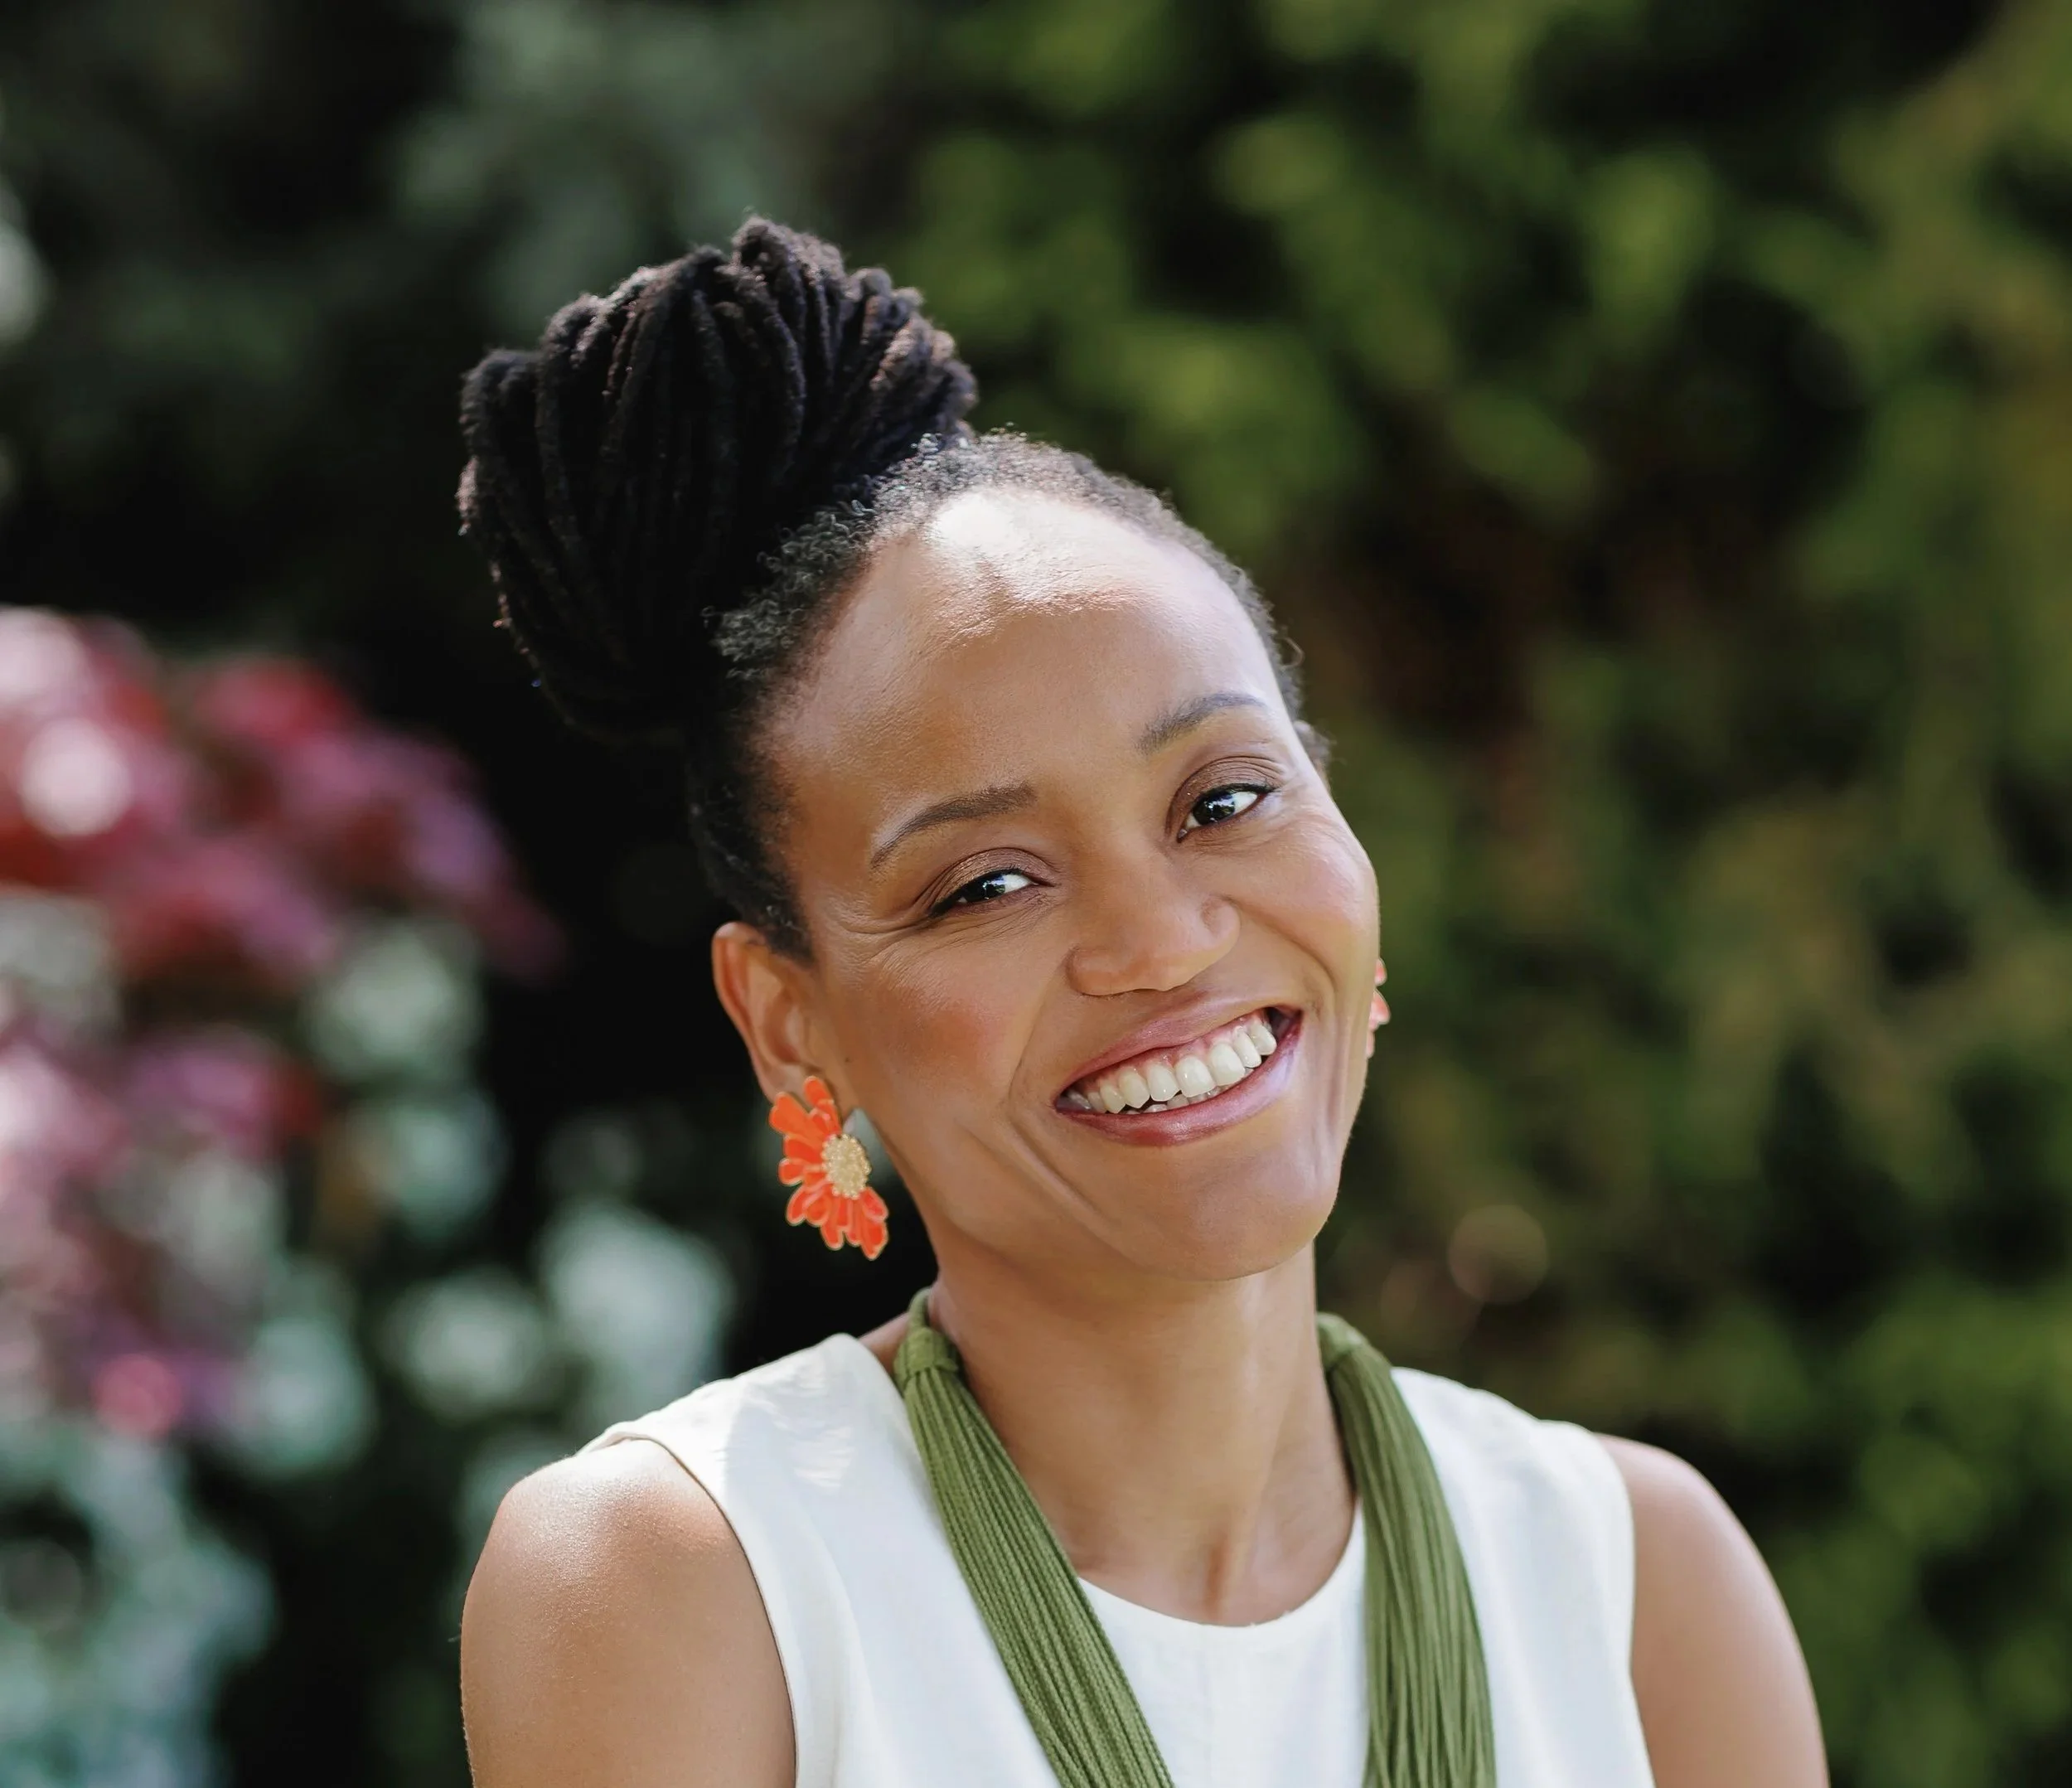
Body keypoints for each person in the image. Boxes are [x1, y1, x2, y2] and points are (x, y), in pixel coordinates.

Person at [454, 220, 1827, 1788]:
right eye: (987, 885)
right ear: (789, 1022)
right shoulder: (692, 1583)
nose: (1164, 941)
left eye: (1225, 800)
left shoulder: (1636, 1586)